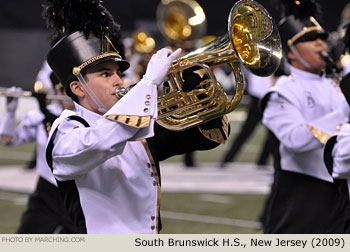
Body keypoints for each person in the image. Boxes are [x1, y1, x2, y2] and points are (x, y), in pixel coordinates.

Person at [43, 0, 229, 233]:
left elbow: (202, 139)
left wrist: (204, 101)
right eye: (105, 74)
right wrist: (148, 83)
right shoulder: (66, 131)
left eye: (118, 73)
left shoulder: (133, 127)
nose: (118, 80)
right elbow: (102, 141)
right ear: (78, 88)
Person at [260, 0, 349, 233]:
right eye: (310, 39)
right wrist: (342, 112)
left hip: (341, 193)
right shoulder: (281, 91)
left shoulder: (336, 83)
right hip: (303, 198)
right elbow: (295, 140)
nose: (321, 42)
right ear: (291, 52)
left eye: (321, 37)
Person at [0, 62, 76, 233]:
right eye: (63, 91)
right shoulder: (39, 116)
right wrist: (11, 111)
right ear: (57, 92)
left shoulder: (85, 119)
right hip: (46, 193)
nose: (67, 96)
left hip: (77, 196)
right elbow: (7, 139)